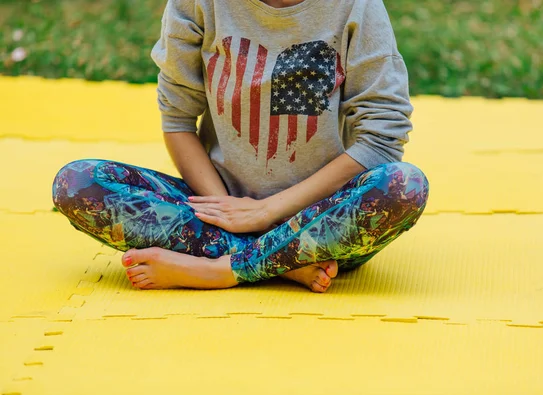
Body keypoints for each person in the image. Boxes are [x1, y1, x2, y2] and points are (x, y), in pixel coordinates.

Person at [51, 0, 429, 293]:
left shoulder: (357, 6)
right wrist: (226, 212)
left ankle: (222, 268)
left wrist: (266, 212)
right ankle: (280, 261)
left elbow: (382, 137)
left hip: (321, 223)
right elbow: (178, 120)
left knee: (404, 186)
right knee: (78, 184)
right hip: (221, 211)